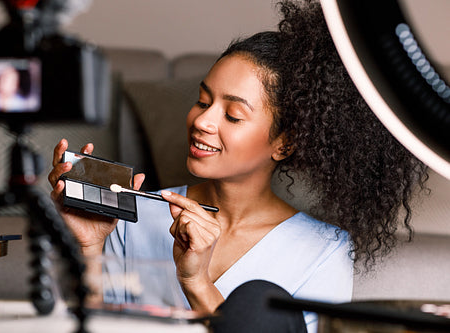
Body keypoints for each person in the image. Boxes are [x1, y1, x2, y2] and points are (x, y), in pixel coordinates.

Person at [48, 0, 428, 332]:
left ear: (285, 143)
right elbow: (96, 325)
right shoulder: (135, 218)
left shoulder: (323, 252)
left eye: (232, 115)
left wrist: (197, 282)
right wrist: (89, 246)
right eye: (202, 100)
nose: (202, 121)